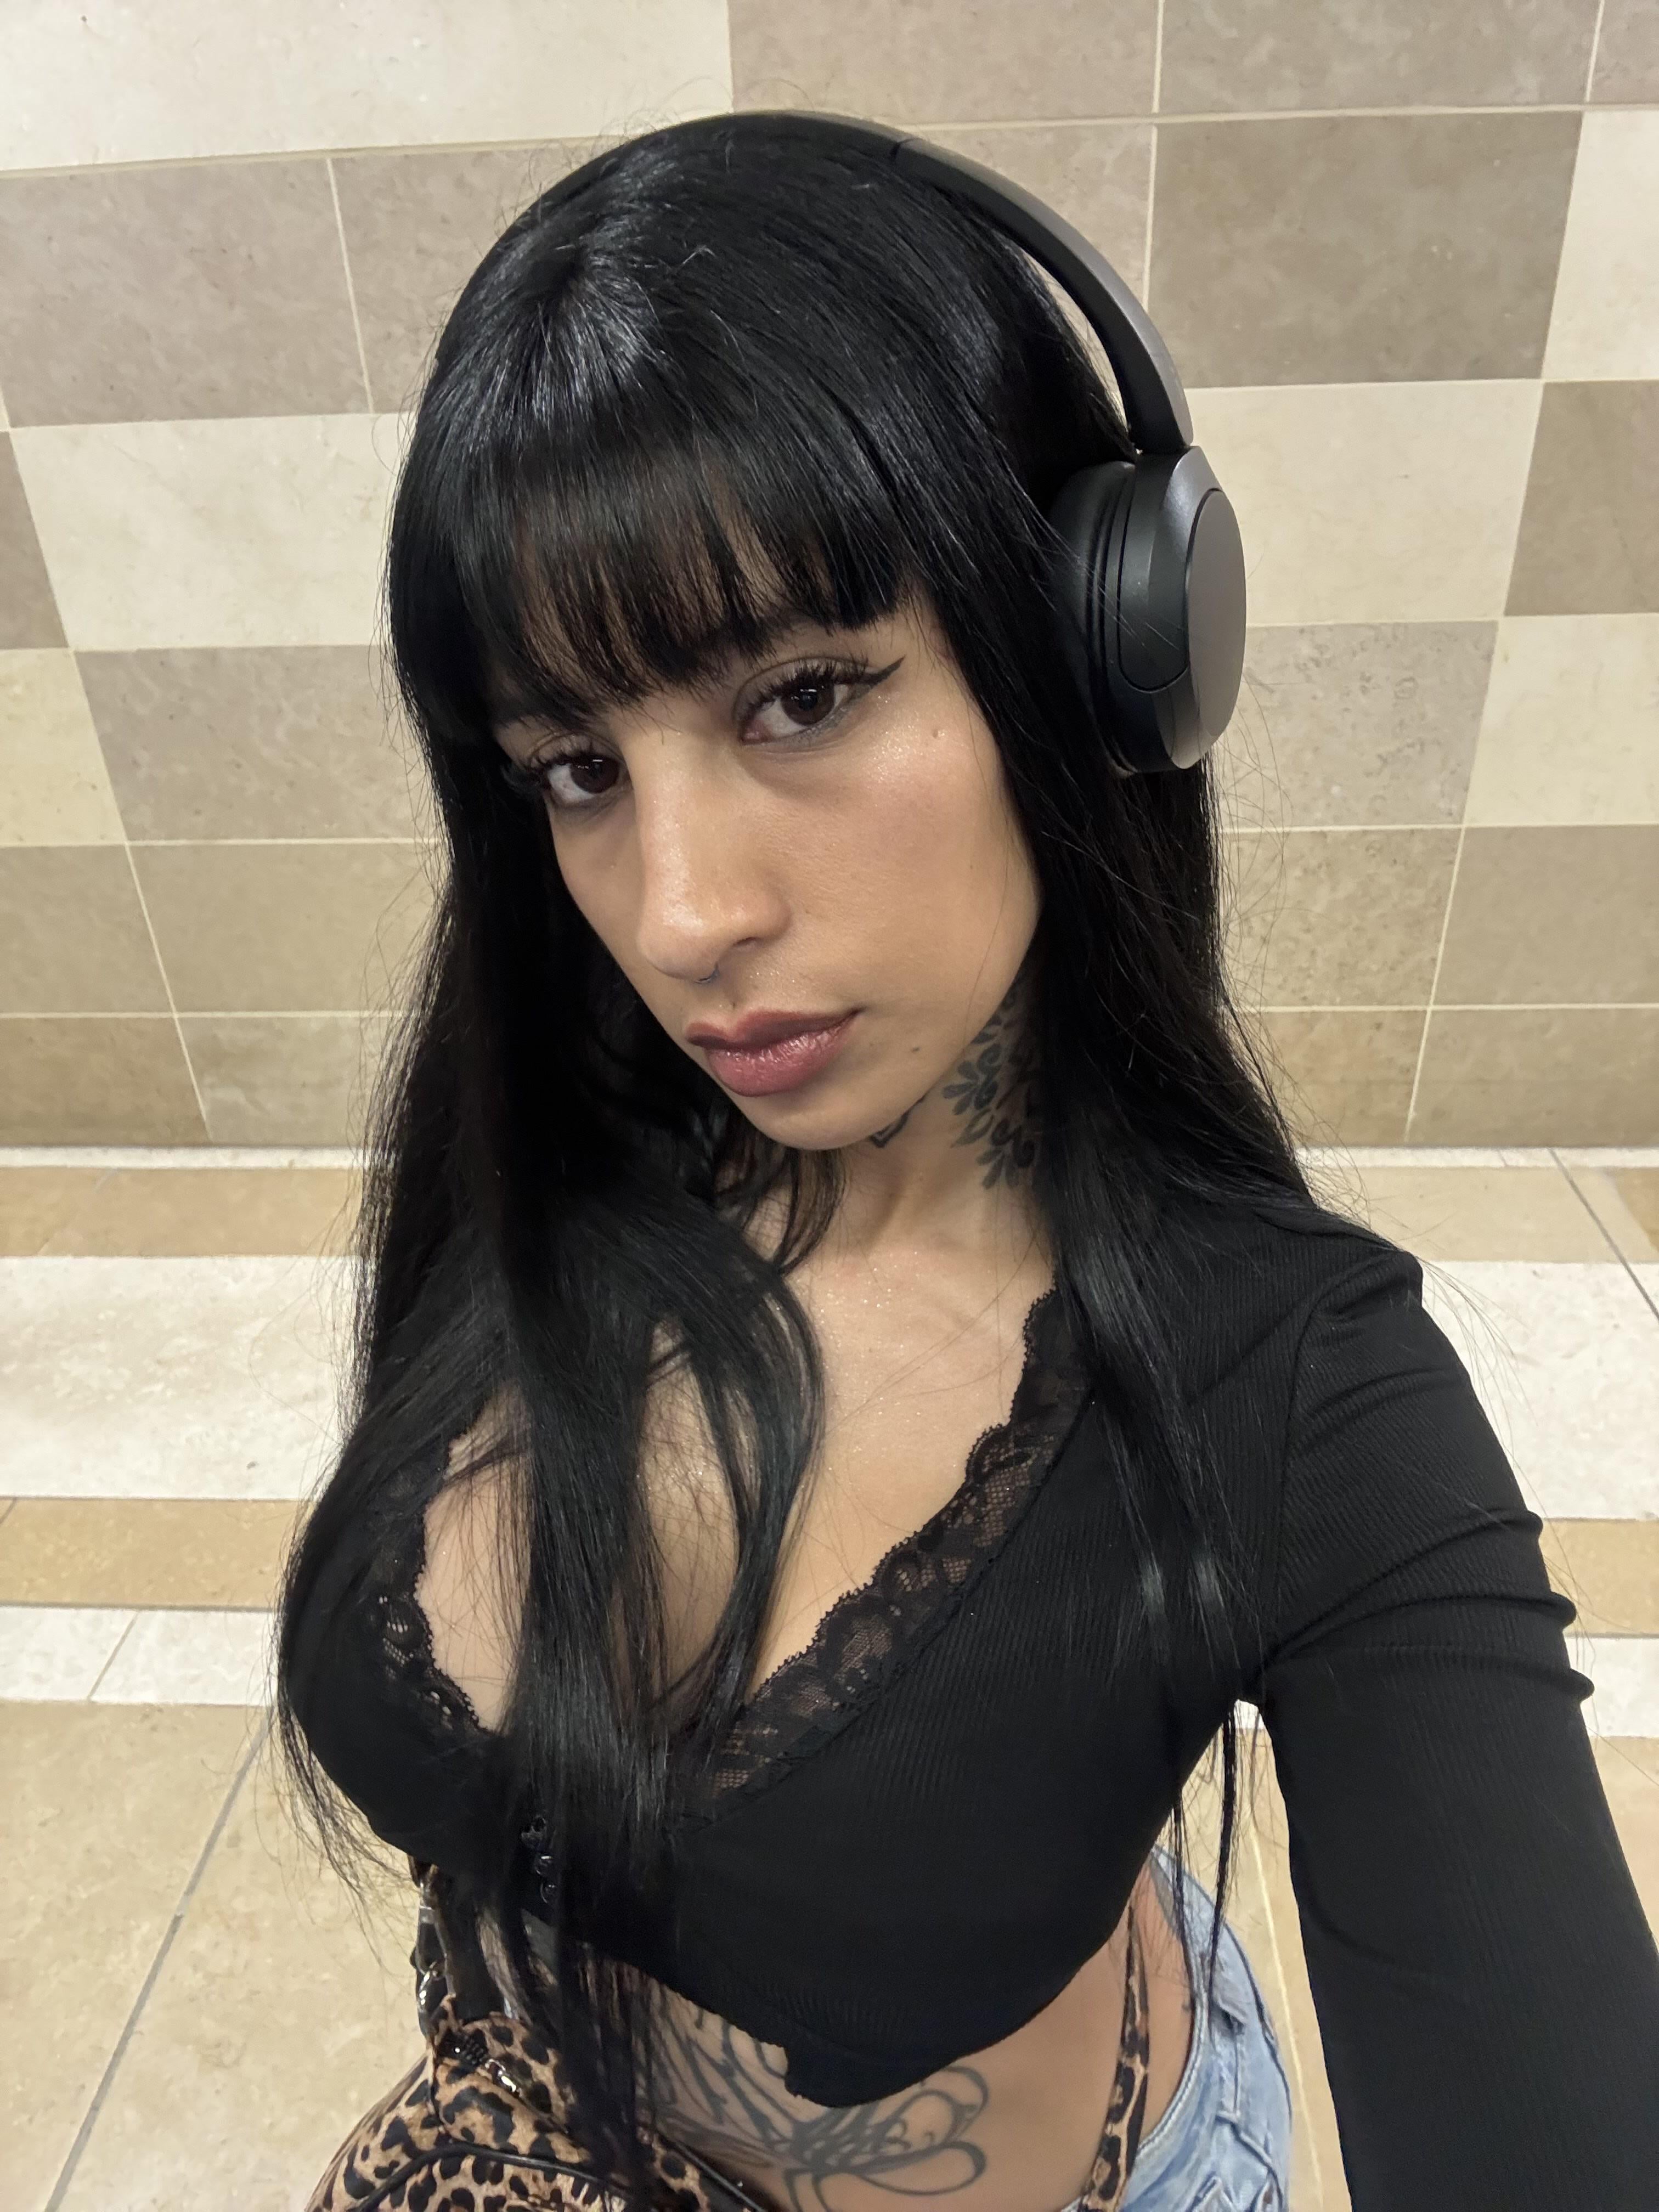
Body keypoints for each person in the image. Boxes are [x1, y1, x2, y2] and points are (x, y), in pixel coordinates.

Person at [275, 110, 1659, 2212]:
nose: (680, 915)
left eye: (802, 697)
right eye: (576, 766)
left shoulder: (1303, 1387)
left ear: (1094, 650)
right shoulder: (562, 1140)